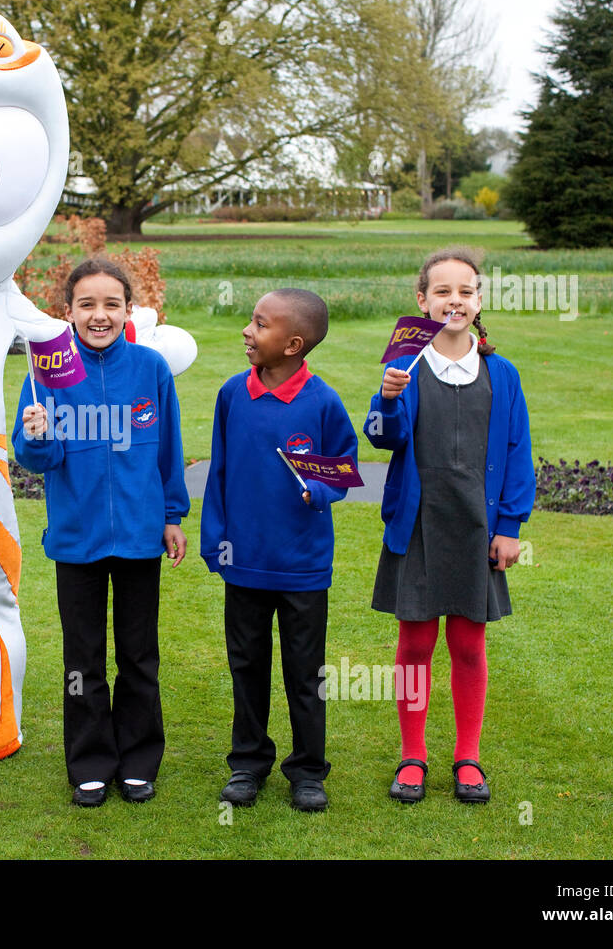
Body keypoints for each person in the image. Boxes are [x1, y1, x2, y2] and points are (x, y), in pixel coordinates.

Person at [11, 257, 189, 807]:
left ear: (129, 311)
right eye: (87, 304)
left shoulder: (150, 369)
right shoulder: (46, 375)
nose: (99, 314)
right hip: (77, 538)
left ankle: (138, 762)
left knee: (139, 655)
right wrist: (38, 436)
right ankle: (89, 763)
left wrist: (172, 516)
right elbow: (37, 458)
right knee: (82, 658)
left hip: (139, 537)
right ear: (68, 313)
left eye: (112, 304)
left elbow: (168, 452)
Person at [364, 247, 535, 804]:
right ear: (422, 300)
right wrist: (386, 400)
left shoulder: (501, 373)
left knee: (467, 644)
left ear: (478, 300)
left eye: (465, 291)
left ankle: (468, 757)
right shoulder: (404, 370)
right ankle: (412, 755)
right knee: (414, 642)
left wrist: (509, 526)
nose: (453, 301)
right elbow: (382, 436)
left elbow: (516, 452)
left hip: (477, 527)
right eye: (442, 291)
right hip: (417, 525)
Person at [201, 288, 357, 812]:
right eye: (251, 320)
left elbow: (343, 466)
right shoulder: (231, 394)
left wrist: (323, 491)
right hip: (243, 562)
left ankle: (308, 771)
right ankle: (247, 764)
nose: (248, 331)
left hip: (303, 568)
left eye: (259, 324)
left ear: (293, 344)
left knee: (304, 674)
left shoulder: (323, 401)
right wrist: (214, 538)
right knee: (246, 666)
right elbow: (218, 470)